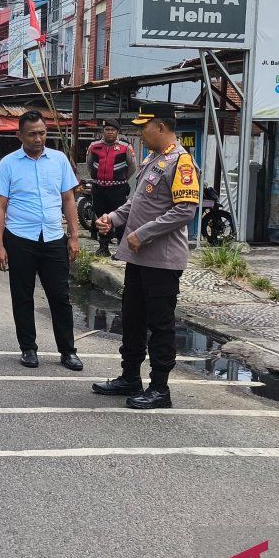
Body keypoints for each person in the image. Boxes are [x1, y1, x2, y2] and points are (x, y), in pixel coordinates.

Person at [92, 103, 200, 410]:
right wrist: (112, 218)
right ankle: (130, 376)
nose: (141, 131)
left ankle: (160, 388)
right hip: (138, 258)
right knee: (133, 319)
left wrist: (144, 233)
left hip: (162, 261)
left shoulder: (182, 162)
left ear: (161, 127)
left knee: (161, 324)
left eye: (145, 126)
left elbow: (185, 211)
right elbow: (136, 203)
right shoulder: (154, 160)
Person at [0, 111, 84, 372]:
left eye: (42, 133)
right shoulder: (8, 164)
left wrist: (74, 236)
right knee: (22, 296)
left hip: (54, 237)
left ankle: (68, 351)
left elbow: (68, 199)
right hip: (20, 238)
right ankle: (28, 348)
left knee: (60, 296)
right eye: (32, 134)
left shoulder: (59, 160)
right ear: (20, 135)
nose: (38, 138)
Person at [85, 118, 137, 256]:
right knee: (101, 217)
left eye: (112, 130)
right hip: (99, 188)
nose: (109, 132)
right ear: (103, 131)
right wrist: (98, 178)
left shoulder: (125, 147)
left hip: (118, 189)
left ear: (117, 132)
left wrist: (122, 179)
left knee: (120, 217)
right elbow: (89, 165)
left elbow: (132, 166)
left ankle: (121, 249)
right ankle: (103, 247)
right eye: (107, 130)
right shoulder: (94, 146)